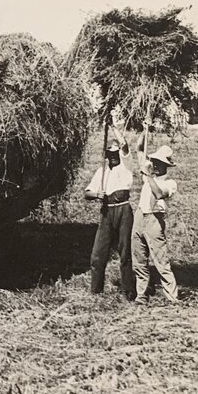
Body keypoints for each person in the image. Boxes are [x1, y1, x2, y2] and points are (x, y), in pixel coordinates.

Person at [84, 123, 135, 300]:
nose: (113, 157)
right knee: (98, 254)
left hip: (123, 210)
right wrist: (96, 194)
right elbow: (87, 193)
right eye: (110, 154)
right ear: (106, 155)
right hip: (106, 211)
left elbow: (124, 144)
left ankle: (128, 290)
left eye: (115, 154)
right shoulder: (101, 171)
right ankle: (96, 291)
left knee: (125, 251)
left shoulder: (126, 165)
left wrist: (112, 124)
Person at [131, 129, 180, 304]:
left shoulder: (169, 183)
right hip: (139, 216)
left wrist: (147, 175)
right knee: (139, 259)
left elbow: (159, 194)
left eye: (160, 162)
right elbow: (138, 149)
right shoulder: (149, 174)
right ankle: (141, 296)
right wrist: (144, 130)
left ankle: (172, 297)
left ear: (166, 165)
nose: (156, 164)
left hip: (154, 220)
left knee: (161, 261)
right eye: (155, 161)